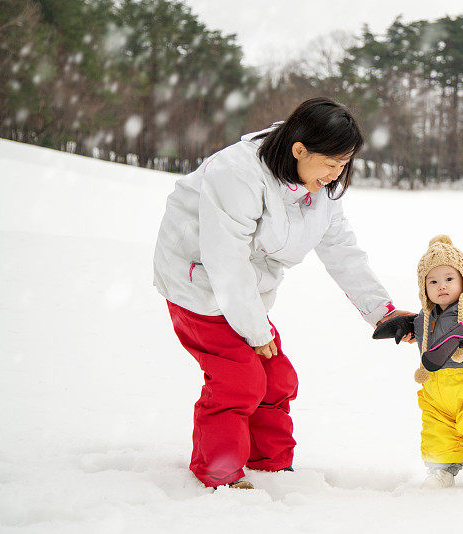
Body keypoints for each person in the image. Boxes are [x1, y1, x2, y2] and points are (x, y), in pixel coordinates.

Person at [153, 97, 407, 489]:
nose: (336, 175)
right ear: (299, 149)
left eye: (344, 164)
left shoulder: (320, 185)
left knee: (276, 379)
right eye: (330, 163)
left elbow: (340, 248)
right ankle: (218, 472)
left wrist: (382, 311)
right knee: (238, 380)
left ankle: (269, 463)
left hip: (244, 293)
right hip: (198, 285)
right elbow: (225, 261)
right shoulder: (237, 172)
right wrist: (257, 331)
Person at [375, 235, 463, 488]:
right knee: (438, 429)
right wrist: (410, 327)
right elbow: (430, 330)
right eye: (433, 281)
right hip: (438, 387)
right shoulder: (427, 316)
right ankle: (442, 471)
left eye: (449, 279)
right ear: (423, 287)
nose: (442, 286)